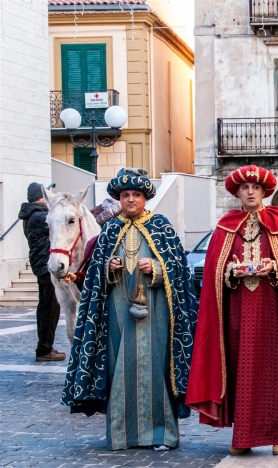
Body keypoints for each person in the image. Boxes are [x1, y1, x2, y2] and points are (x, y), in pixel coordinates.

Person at [187, 165, 278, 456]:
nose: (250, 192)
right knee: (241, 371)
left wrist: (275, 267)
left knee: (274, 371)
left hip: (275, 314)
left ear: (264, 192)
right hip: (237, 313)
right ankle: (243, 437)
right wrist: (230, 272)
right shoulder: (226, 226)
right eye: (245, 188)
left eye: (255, 188)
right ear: (237, 193)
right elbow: (214, 270)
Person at [61, 168, 198, 451]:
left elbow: (180, 272)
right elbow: (95, 278)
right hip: (118, 313)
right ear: (119, 199)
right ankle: (122, 435)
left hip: (157, 313)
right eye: (126, 195)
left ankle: (162, 435)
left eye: (136, 195)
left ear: (145, 198)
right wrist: (109, 269)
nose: (131, 199)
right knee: (118, 369)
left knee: (157, 368)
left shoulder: (162, 227)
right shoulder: (109, 230)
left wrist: (158, 269)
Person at [18, 183, 64, 362]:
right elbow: (61, 224)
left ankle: (45, 347)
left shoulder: (33, 214)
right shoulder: (39, 216)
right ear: (40, 197)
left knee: (48, 306)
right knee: (49, 308)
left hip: (42, 264)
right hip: (46, 266)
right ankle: (44, 349)